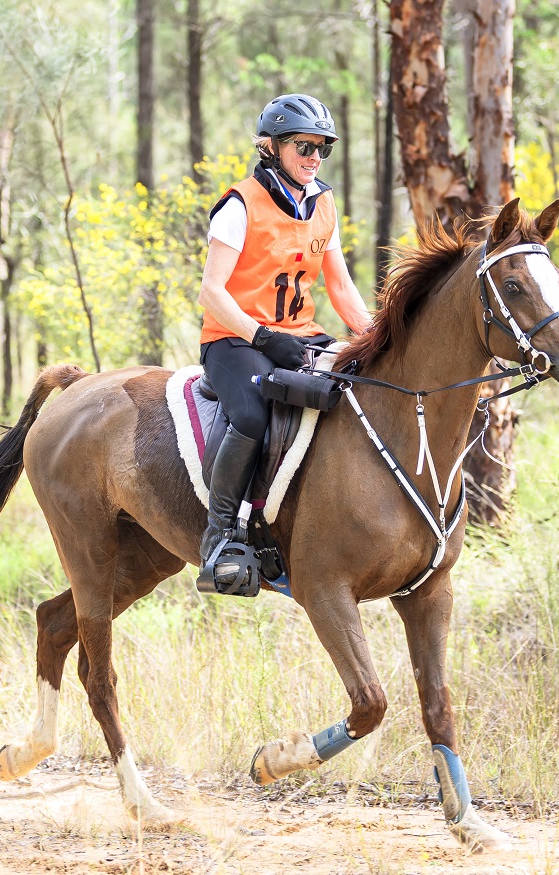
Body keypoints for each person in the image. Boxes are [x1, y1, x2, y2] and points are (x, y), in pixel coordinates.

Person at [196, 93, 373, 591]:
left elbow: (339, 288)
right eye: (304, 146)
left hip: (302, 336)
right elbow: (212, 292)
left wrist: (379, 336)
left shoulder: (323, 202)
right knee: (252, 413)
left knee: (356, 389)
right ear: (270, 147)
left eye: (323, 149)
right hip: (233, 340)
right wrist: (263, 338)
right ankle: (221, 536)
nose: (314, 157)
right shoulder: (239, 204)